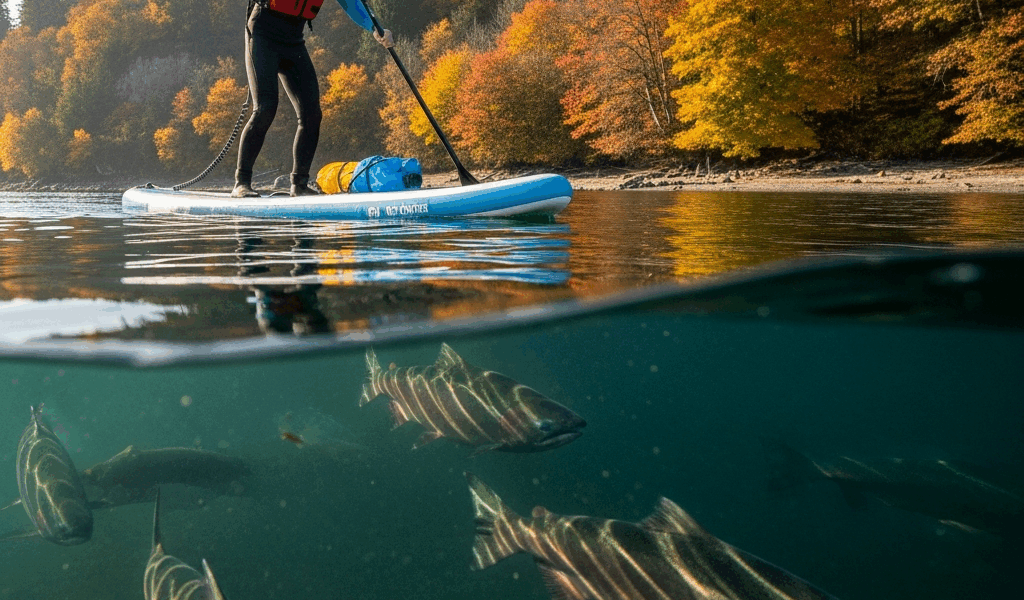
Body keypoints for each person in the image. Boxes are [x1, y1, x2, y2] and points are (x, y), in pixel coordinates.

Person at [234, 1, 393, 198]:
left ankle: (299, 185)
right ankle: (242, 183)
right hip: (262, 34)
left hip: (293, 40)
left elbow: (351, 3)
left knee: (311, 115)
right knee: (265, 108)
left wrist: (374, 28)